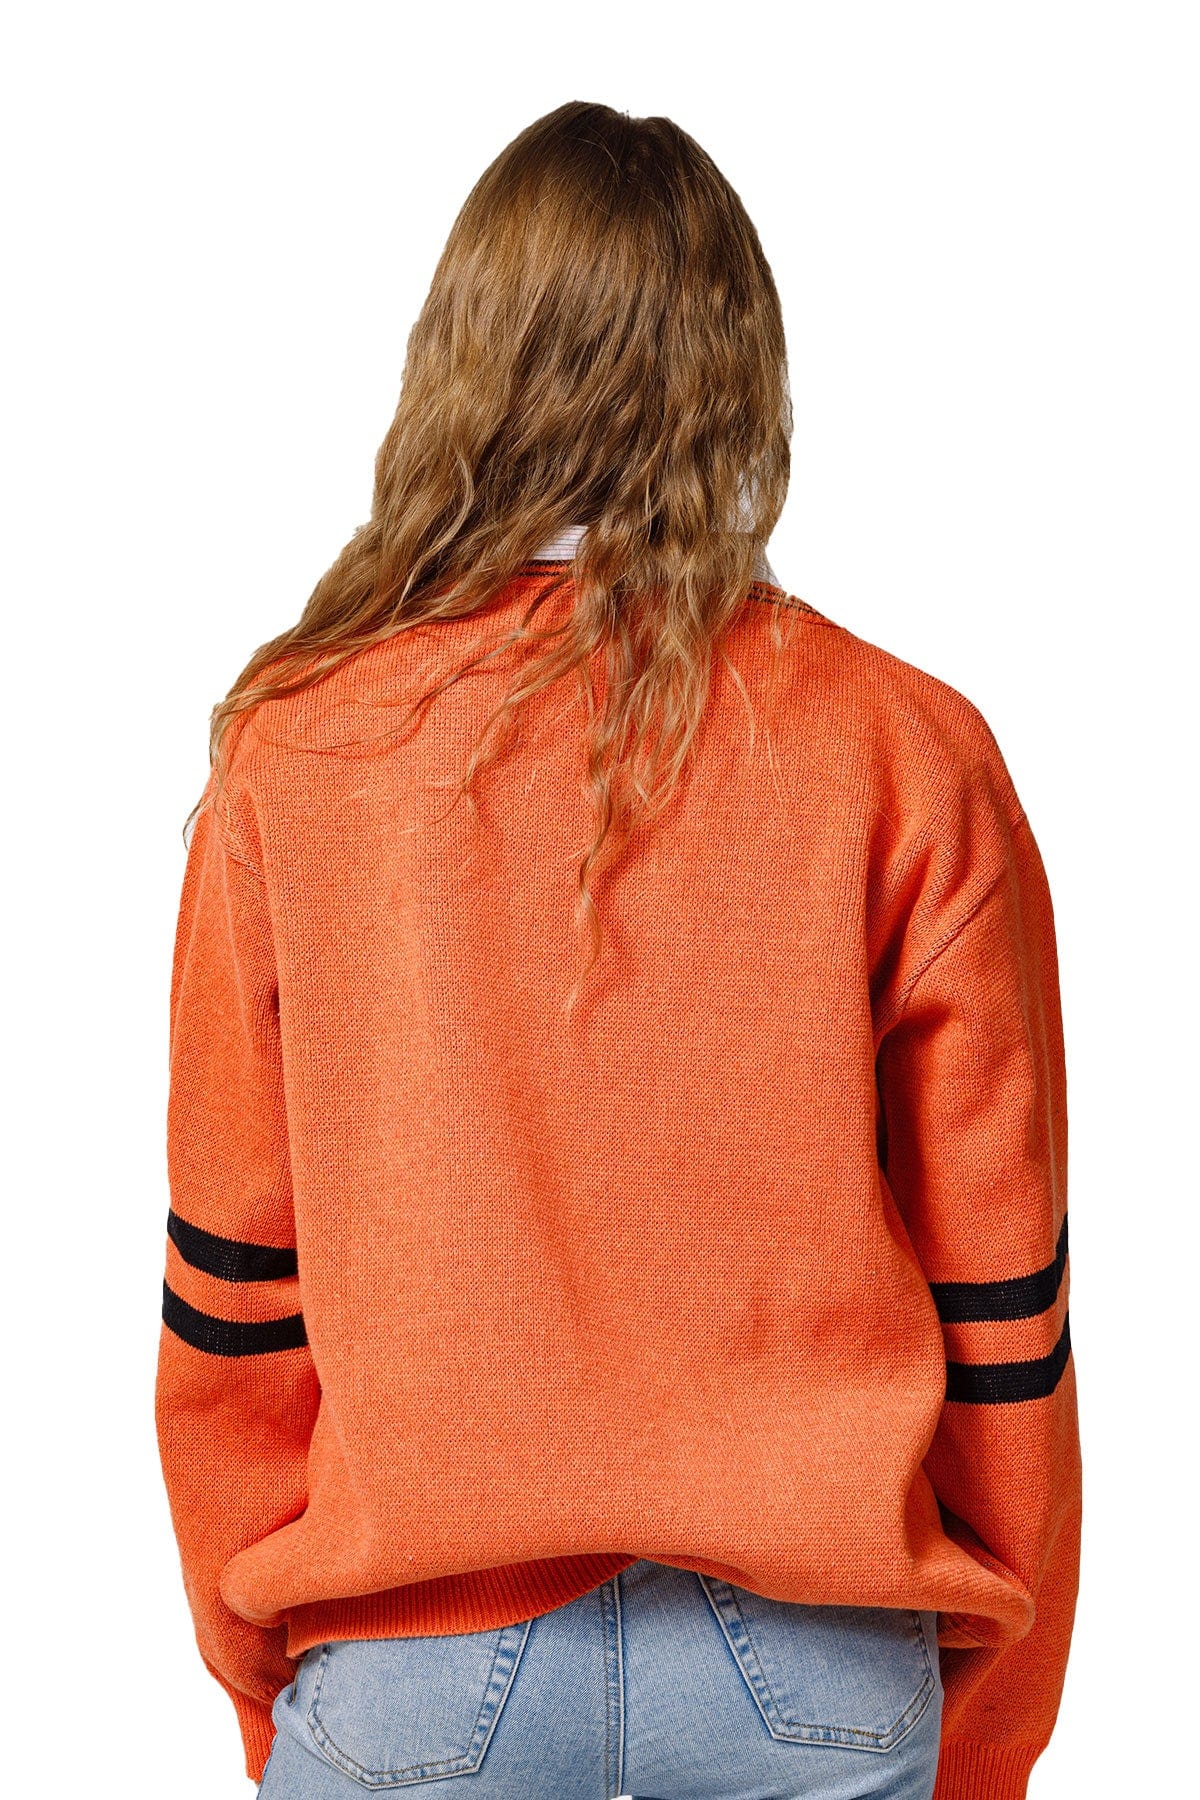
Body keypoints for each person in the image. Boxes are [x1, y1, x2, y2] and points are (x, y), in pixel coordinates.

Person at [154, 100, 1081, 1800]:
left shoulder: (298, 751)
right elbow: (1004, 1305)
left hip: (412, 1666)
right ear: (743, 375)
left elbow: (233, 1307)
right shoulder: (906, 749)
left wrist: (278, 1693)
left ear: (461, 365)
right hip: (819, 1665)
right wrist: (987, 1740)